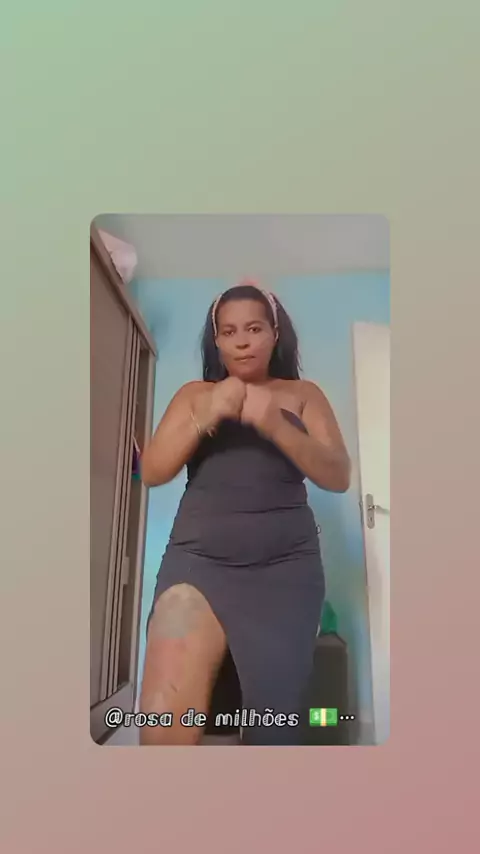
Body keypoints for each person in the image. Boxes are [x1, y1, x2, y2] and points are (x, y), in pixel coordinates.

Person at [139, 282, 350, 745]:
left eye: (254, 328)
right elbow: (151, 470)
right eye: (229, 331)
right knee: (162, 716)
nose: (241, 341)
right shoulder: (195, 394)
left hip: (285, 572)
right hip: (198, 564)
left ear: (274, 334)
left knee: (274, 722)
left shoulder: (304, 394)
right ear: (216, 340)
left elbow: (338, 475)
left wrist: (274, 424)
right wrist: (209, 413)